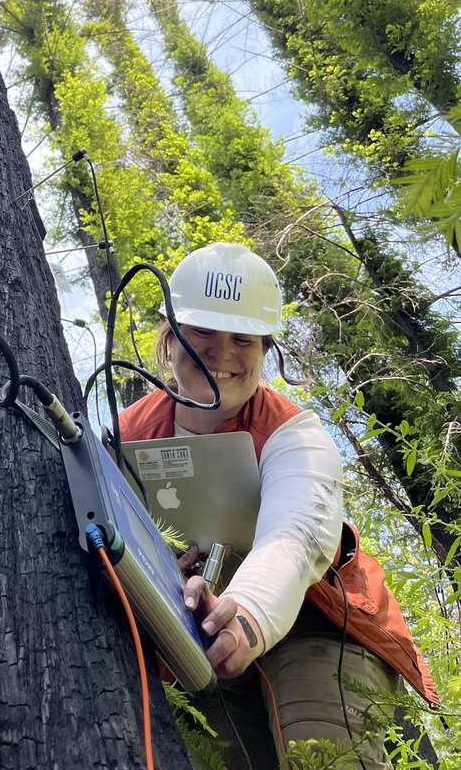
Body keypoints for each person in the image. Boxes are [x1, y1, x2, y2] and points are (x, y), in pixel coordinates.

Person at [117, 243, 439, 770]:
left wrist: (248, 613)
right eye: (202, 332)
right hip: (198, 645)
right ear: (170, 337)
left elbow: (297, 533)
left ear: (264, 351)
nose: (220, 352)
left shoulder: (293, 433)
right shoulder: (124, 434)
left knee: (322, 753)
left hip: (318, 627)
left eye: (242, 338)